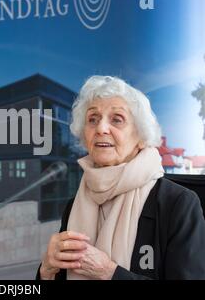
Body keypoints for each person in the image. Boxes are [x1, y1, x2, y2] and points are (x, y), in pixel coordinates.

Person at [37, 76, 205, 280]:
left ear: (141, 138)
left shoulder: (178, 203)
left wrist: (110, 272)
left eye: (117, 119)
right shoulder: (74, 206)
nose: (101, 129)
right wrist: (46, 270)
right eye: (93, 119)